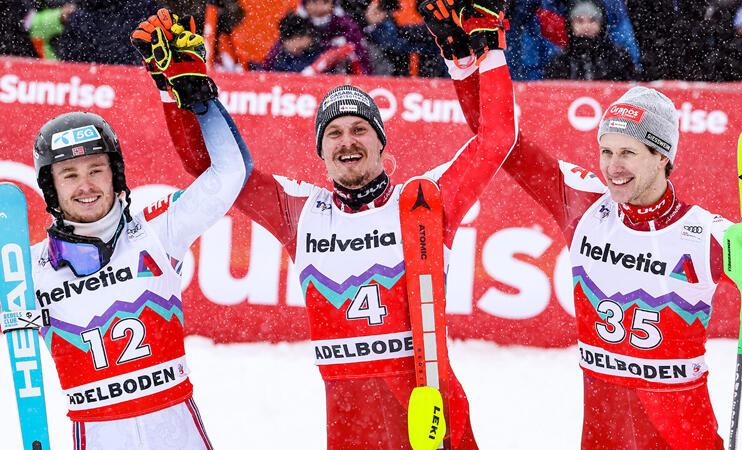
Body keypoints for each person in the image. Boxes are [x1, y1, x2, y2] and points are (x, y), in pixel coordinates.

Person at [142, 0, 516, 446]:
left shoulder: (423, 200)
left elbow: (497, 136)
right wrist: (180, 94)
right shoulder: (299, 212)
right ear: (321, 152)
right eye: (333, 133)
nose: (346, 141)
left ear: (381, 143)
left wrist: (480, 52)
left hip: (430, 419)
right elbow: (209, 171)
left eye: (359, 128)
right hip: (348, 427)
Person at [497, 86, 742, 448]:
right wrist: (472, 61)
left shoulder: (706, 235)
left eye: (628, 152)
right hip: (602, 436)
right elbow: (501, 143)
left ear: (662, 157)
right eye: (606, 151)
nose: (613, 166)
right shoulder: (584, 207)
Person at [30, 14, 252, 448]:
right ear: (50, 187)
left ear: (116, 175)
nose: (87, 185)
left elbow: (229, 174)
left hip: (178, 433)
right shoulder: (27, 269)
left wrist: (198, 100)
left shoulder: (155, 231)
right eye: (69, 175)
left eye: (97, 169)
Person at [543, 0, 636, 80]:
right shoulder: (559, 62)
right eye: (580, 21)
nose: (586, 27)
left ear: (601, 24)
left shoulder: (618, 57)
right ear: (570, 25)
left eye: (592, 20)